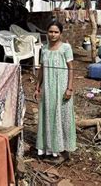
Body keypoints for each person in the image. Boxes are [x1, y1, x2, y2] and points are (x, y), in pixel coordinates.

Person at [33, 20, 76, 163]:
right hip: (48, 88)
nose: (53, 34)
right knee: (48, 116)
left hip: (62, 87)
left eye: (56, 32)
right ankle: (49, 149)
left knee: (62, 118)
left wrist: (69, 88)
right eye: (50, 31)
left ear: (61, 33)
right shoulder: (44, 49)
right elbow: (42, 69)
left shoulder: (66, 48)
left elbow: (71, 68)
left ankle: (64, 153)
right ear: (47, 32)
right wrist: (37, 87)